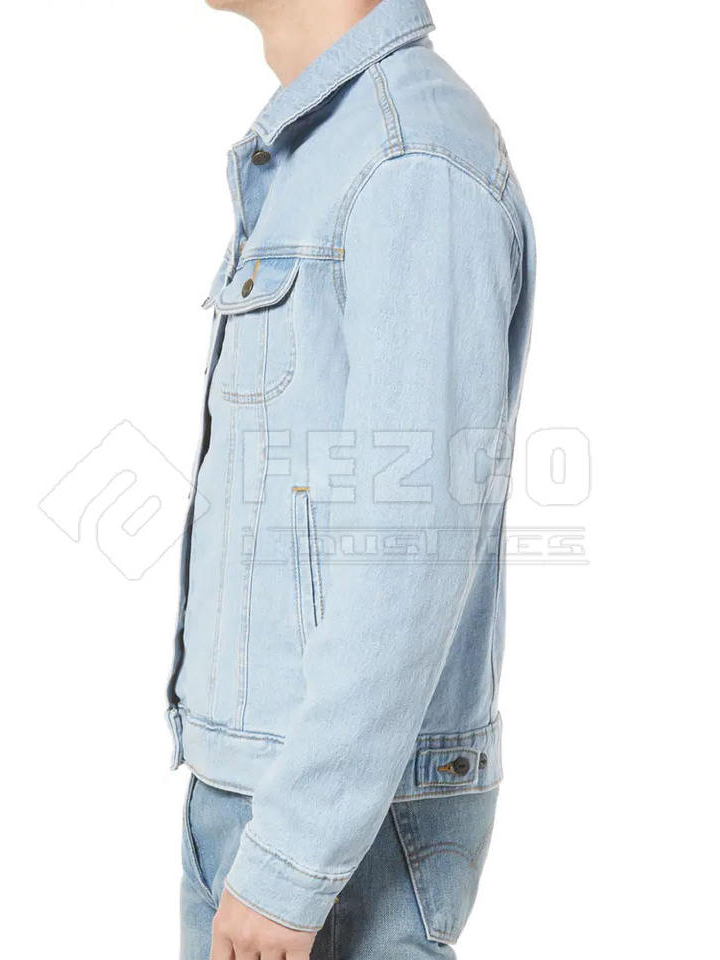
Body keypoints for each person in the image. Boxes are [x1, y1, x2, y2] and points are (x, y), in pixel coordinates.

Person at [167, 1, 535, 956]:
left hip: (334, 830)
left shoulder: (411, 161)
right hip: (263, 795)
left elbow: (408, 549)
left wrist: (293, 860)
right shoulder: (333, 149)